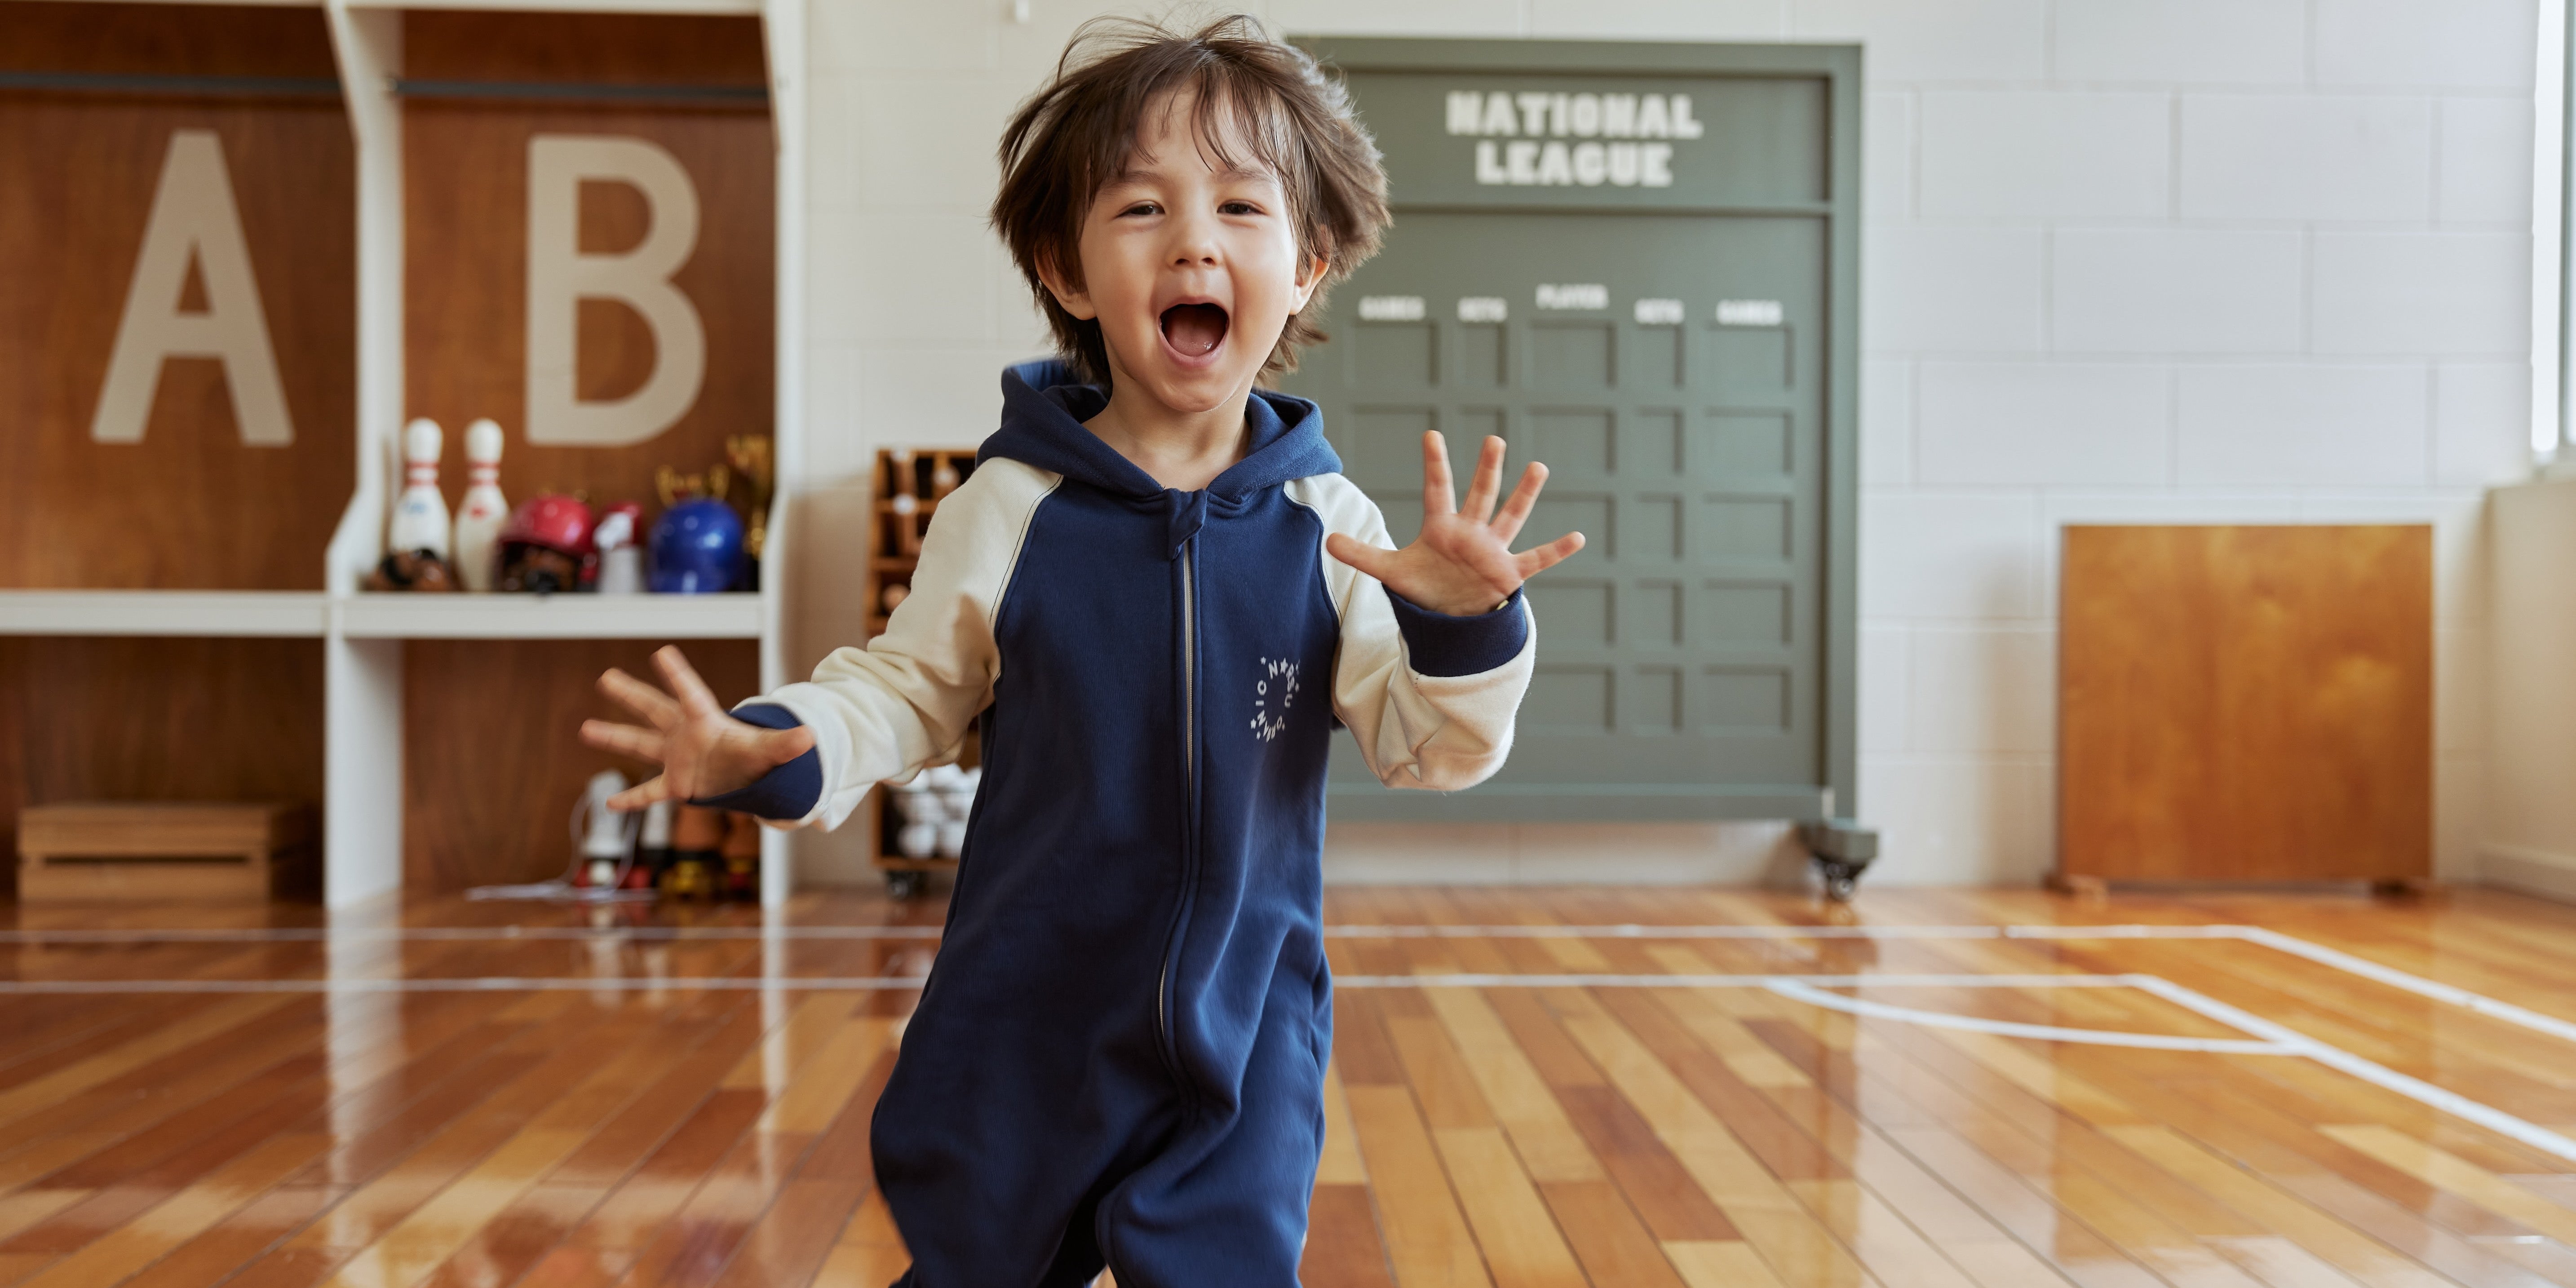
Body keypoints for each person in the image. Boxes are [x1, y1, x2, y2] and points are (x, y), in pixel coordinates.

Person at [579, 14, 1583, 1286]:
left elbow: (1430, 747)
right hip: (1027, 1022)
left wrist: (1463, 626)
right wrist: (771, 745)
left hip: (1242, 1030)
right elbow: (899, 692)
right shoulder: (1010, 509)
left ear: (1312, 262)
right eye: (1141, 209)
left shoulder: (1331, 529)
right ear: (1064, 268)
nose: (1195, 240)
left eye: (1239, 206)